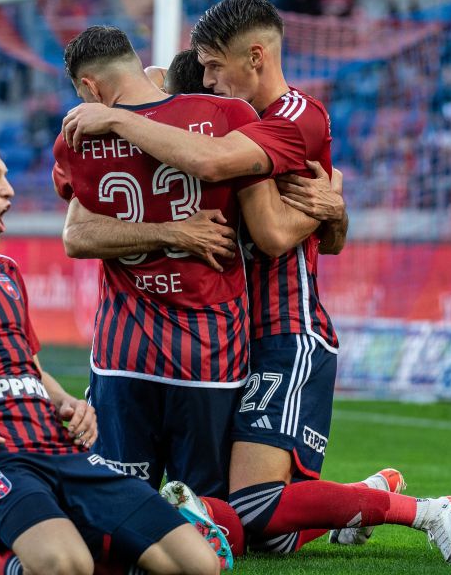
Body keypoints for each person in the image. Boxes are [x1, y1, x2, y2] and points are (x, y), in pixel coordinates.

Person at [62, 0, 451, 565]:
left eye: (215, 67)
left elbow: (272, 229)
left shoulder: (291, 118)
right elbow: (156, 90)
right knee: (260, 527)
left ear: (254, 57)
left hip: (286, 329)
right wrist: (332, 212)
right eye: (203, 69)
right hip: (229, 338)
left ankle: (432, 511)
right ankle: (362, 497)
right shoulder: (213, 109)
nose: (208, 80)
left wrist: (117, 117)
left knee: (253, 508)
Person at [0, 133, 230, 575]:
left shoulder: (5, 271)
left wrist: (67, 402)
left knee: (199, 565)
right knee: (66, 565)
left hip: (62, 449)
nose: (9, 190)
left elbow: (29, 368)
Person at [53, 26, 328, 504]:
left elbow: (77, 234)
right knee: (216, 513)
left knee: (115, 508)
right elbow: (269, 229)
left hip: (126, 349)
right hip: (209, 350)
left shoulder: (77, 135)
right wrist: (331, 203)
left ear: (91, 88)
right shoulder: (228, 115)